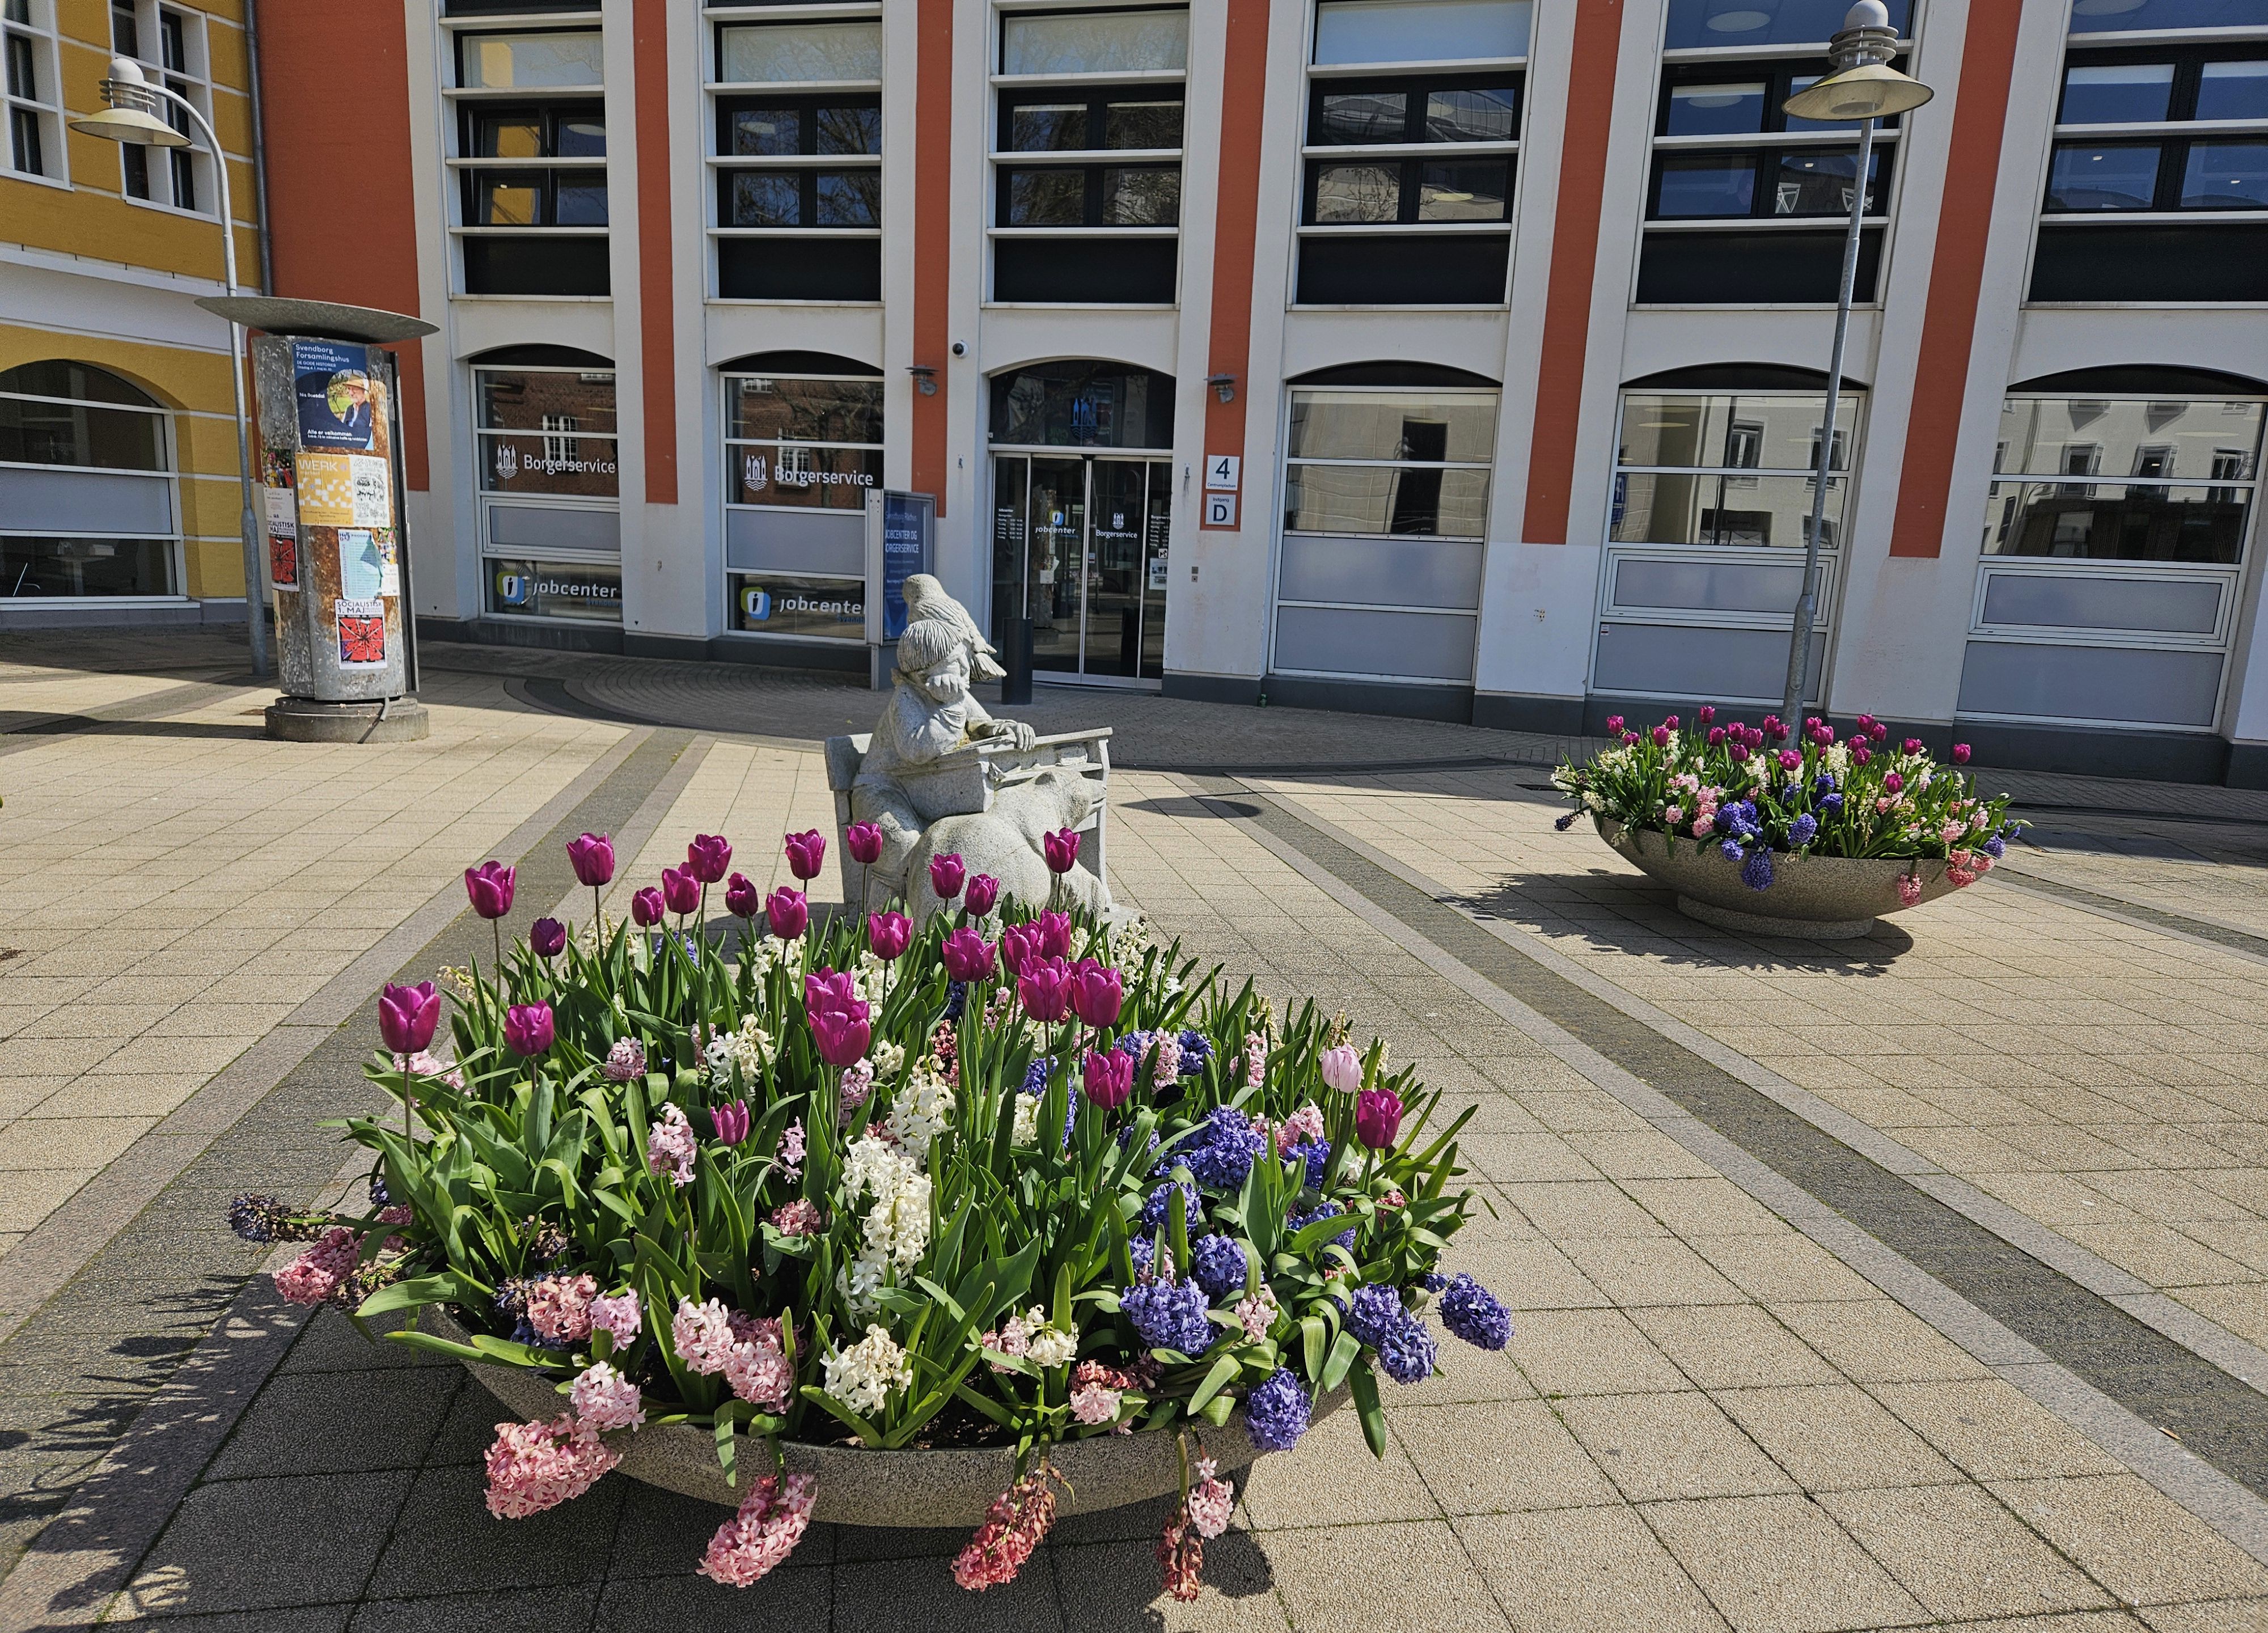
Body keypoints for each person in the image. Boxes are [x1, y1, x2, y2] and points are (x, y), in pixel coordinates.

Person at [850, 619, 1035, 898]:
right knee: (906, 845)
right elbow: (918, 750)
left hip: (928, 785)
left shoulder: (956, 693)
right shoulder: (906, 698)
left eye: (964, 660)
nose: (965, 669)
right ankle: (886, 917)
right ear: (924, 674)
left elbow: (981, 725)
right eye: (956, 663)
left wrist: (1006, 729)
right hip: (885, 789)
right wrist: (950, 707)